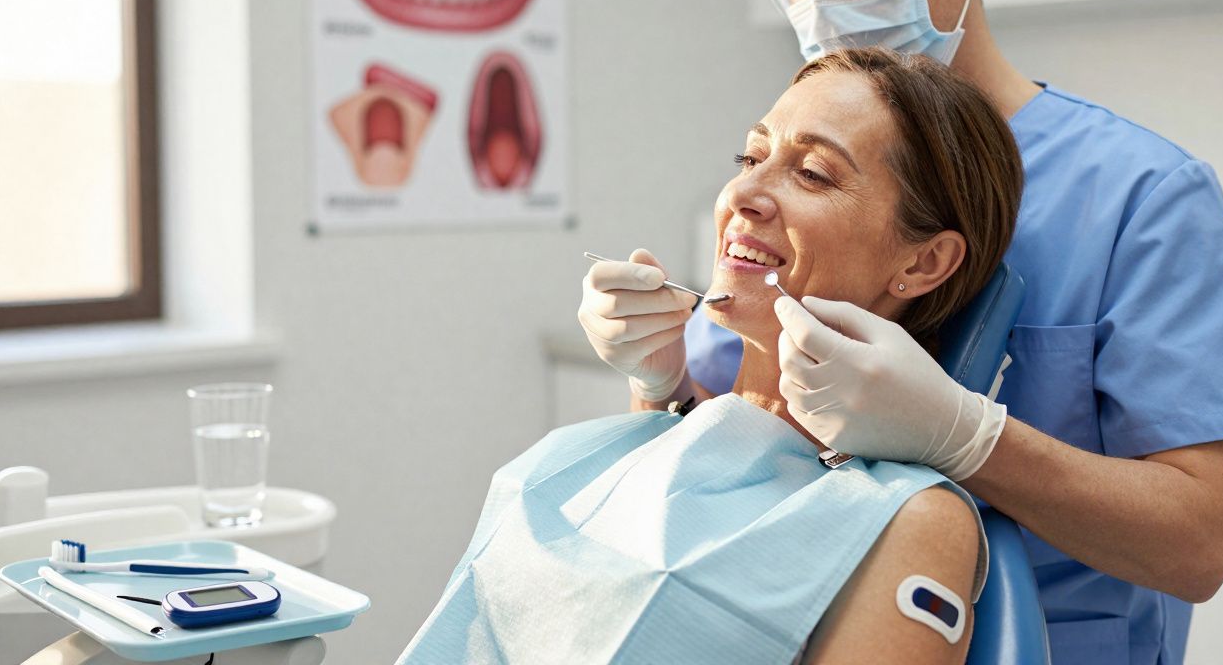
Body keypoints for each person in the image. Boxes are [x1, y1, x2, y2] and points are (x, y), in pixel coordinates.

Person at [579, 0, 1223, 663]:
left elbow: (1196, 545)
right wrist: (659, 386)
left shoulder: (1139, 196)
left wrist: (964, 437)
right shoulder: (789, 194)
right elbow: (728, 446)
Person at [400, 48, 1023, 664]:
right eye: (749, 157)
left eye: (812, 173)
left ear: (923, 262)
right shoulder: (669, 425)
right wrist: (660, 389)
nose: (743, 193)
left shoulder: (912, 518)